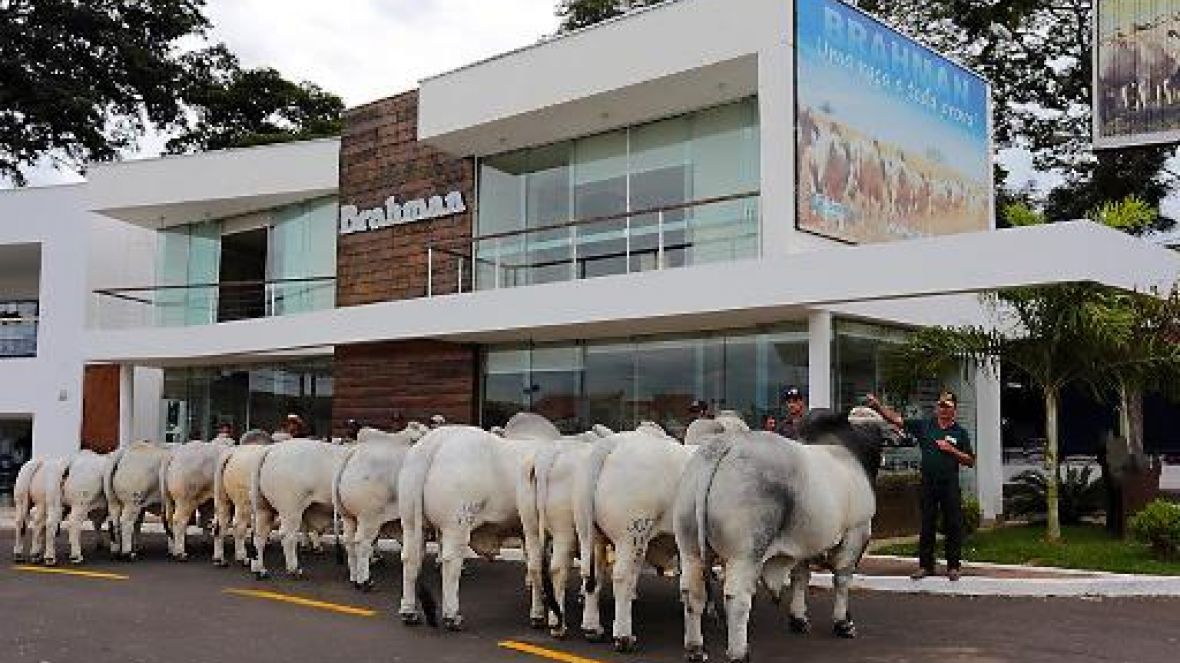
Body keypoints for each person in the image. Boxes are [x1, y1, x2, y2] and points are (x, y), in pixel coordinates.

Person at [866, 391, 975, 581]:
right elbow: (897, 420)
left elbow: (970, 460)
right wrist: (878, 407)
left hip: (949, 484)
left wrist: (952, 450)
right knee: (927, 524)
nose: (943, 410)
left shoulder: (960, 432)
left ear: (954, 411)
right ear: (936, 408)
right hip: (928, 483)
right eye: (941, 406)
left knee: (953, 524)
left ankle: (953, 566)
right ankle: (926, 565)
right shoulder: (926, 426)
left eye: (947, 407)